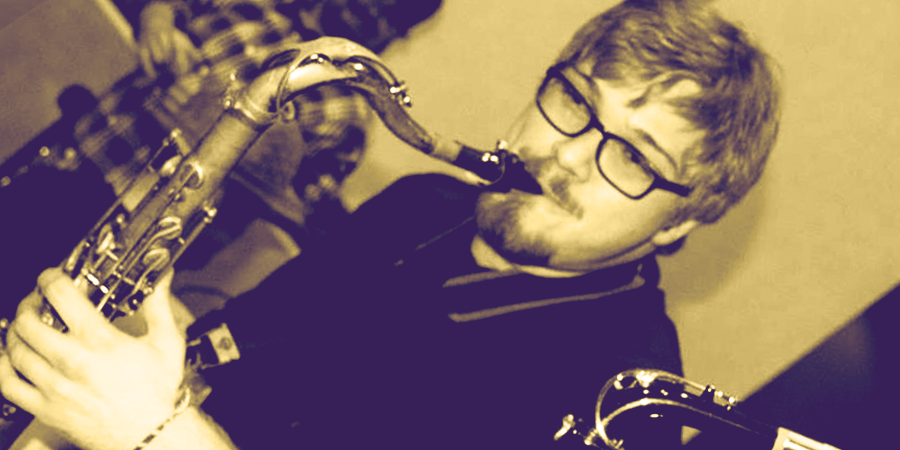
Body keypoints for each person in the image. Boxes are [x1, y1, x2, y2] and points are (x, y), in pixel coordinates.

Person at [0, 0, 780, 449]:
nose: (567, 154)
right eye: (575, 99)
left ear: (683, 219)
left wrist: (156, 432)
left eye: (635, 158)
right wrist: (126, 355)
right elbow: (240, 351)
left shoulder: (625, 407)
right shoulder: (423, 203)